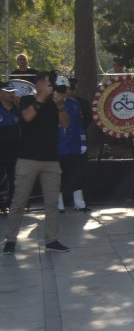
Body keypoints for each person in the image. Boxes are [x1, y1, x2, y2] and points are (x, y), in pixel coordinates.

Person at [3, 71, 71, 254]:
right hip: (27, 159)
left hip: (51, 160)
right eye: (49, 83)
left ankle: (52, 240)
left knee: (51, 203)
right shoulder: (26, 100)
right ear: (39, 84)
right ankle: (10, 239)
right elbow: (27, 117)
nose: (52, 87)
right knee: (19, 201)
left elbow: (65, 124)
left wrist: (60, 106)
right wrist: (40, 99)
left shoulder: (55, 103)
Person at [55, 76, 89, 213]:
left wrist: (83, 141)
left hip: (74, 145)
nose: (64, 91)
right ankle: (58, 203)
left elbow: (79, 124)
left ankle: (79, 202)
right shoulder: (51, 104)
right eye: (61, 88)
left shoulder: (75, 103)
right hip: (58, 146)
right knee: (58, 175)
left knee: (77, 174)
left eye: (66, 88)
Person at [0, 84, 20, 213]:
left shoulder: (18, 109)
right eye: (8, 92)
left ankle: (13, 203)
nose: (11, 94)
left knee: (15, 177)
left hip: (14, 149)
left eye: (13, 91)